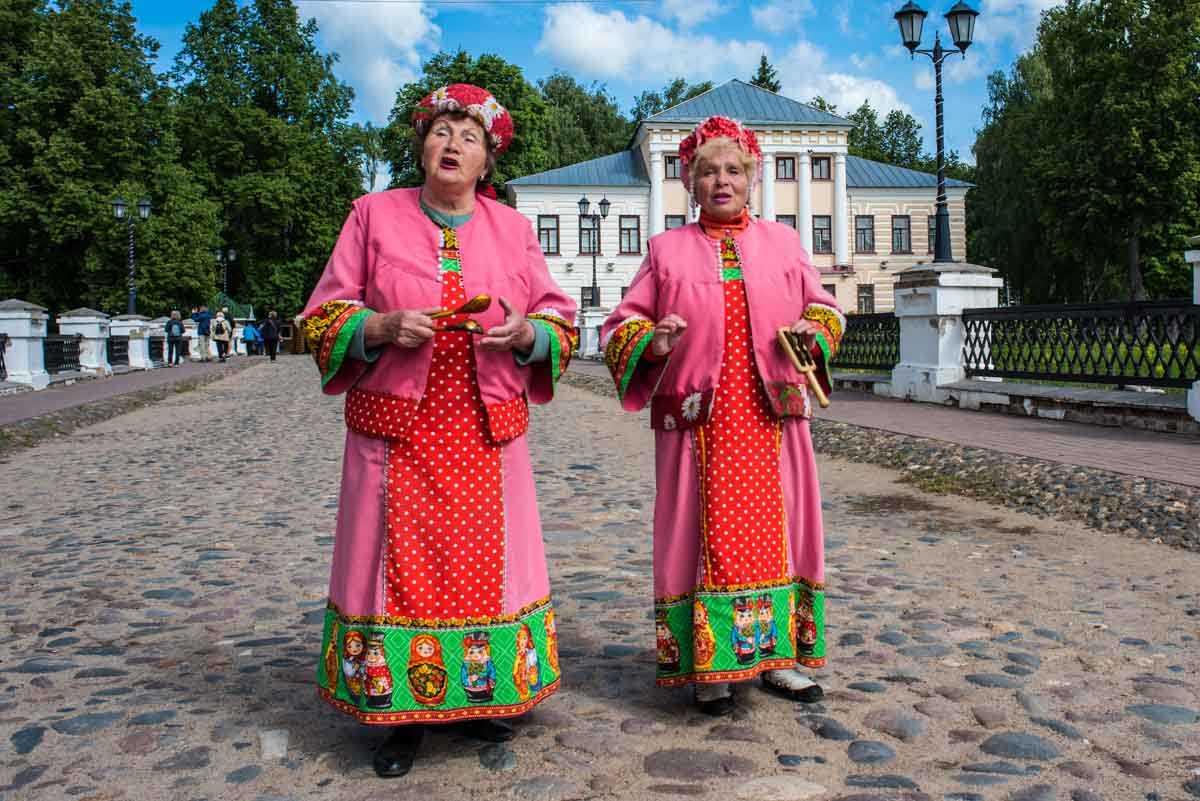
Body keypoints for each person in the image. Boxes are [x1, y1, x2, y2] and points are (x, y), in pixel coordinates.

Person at [300, 82, 577, 779]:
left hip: (484, 429)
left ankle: (479, 696)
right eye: (442, 130)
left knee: (486, 567)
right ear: (422, 144)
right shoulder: (373, 215)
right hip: (398, 429)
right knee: (402, 573)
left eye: (470, 137)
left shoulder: (513, 230)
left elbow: (558, 319)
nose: (453, 143)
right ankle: (403, 714)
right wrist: (379, 326)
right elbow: (323, 316)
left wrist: (525, 333)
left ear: (487, 162)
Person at [600, 115, 845, 717]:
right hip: (699, 423)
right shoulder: (665, 251)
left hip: (771, 419)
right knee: (700, 537)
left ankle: (778, 658)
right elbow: (620, 326)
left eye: (733, 169)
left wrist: (814, 330)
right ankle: (710, 664)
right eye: (708, 170)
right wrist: (651, 341)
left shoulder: (785, 245)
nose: (721, 180)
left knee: (780, 531)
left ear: (753, 177)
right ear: (688, 180)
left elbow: (825, 306)